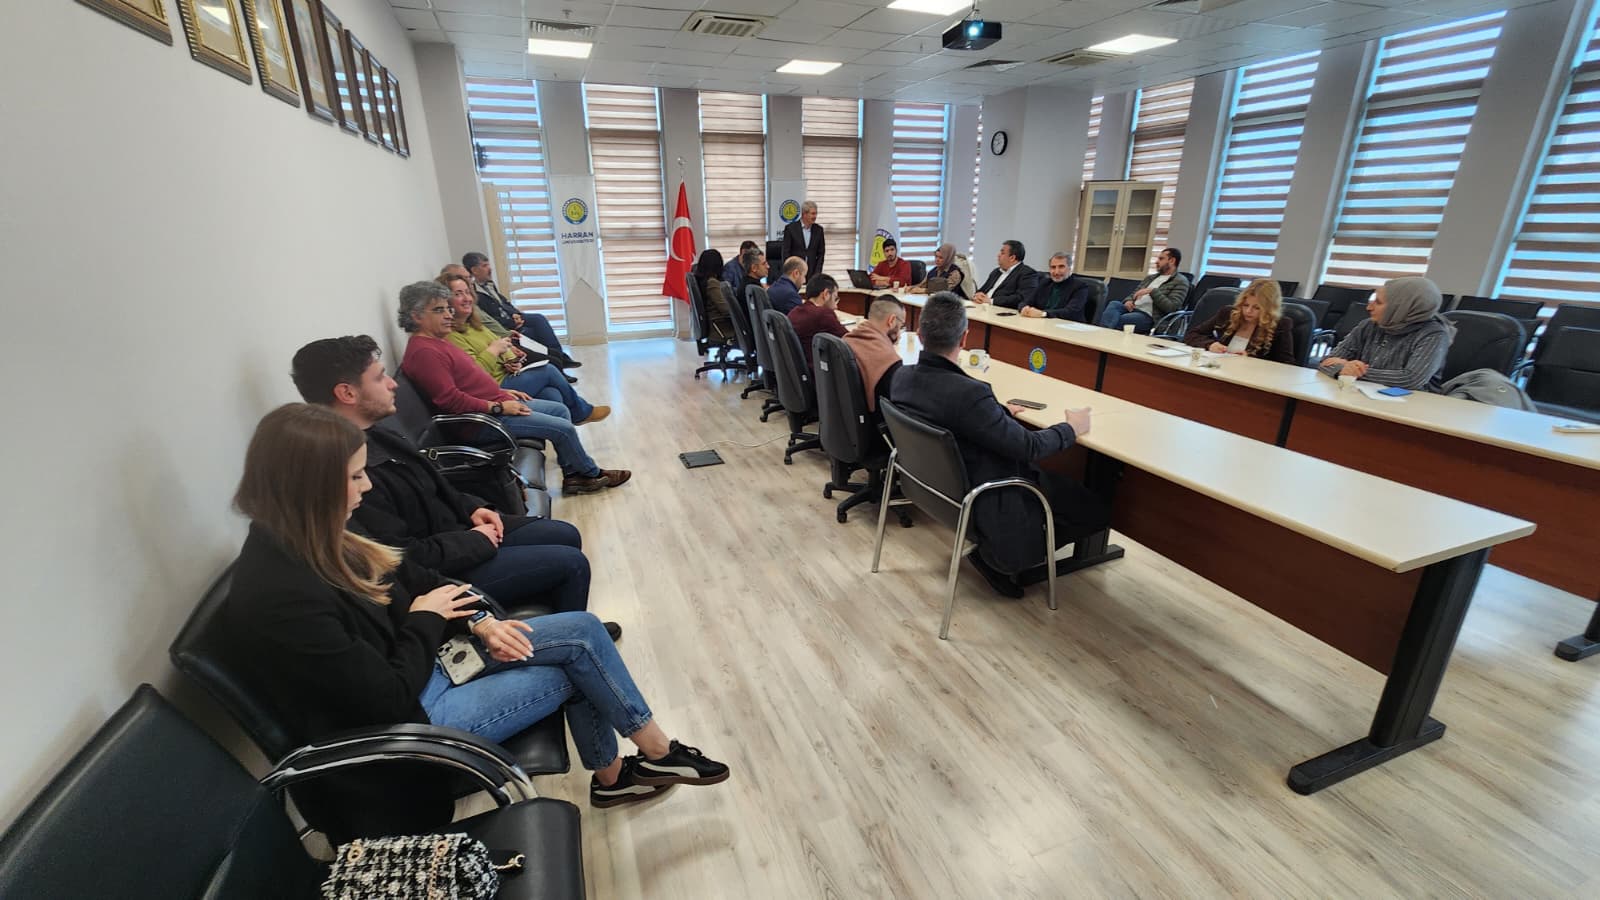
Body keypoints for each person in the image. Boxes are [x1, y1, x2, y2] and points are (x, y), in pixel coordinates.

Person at [221, 404, 728, 824]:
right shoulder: (281, 594)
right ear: (310, 486)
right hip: (408, 726)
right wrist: (426, 618)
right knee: (581, 668)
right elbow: (386, 698)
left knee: (584, 631)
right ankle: (630, 772)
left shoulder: (321, 536)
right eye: (355, 476)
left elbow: (418, 579)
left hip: (425, 669)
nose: (367, 486)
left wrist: (480, 621)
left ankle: (649, 760)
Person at [290, 336, 618, 640]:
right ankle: (568, 640)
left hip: (457, 530)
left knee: (565, 534)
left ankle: (565, 624)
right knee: (571, 563)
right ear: (347, 394)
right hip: (442, 569)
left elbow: (436, 485)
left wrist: (473, 508)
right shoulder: (351, 478)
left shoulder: (378, 435)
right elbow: (403, 560)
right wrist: (476, 541)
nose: (392, 384)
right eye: (379, 377)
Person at [889, 293, 1110, 597]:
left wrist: (996, 413)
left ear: (921, 335)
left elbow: (947, 409)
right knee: (1098, 510)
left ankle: (1007, 546)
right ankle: (1007, 555)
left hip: (940, 492)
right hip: (989, 492)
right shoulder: (970, 394)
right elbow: (1029, 447)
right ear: (965, 337)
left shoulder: (901, 376)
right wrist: (1071, 428)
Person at [396, 281, 630, 495]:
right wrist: (498, 407)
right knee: (563, 428)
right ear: (416, 315)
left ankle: (573, 475)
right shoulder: (425, 352)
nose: (449, 314)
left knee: (559, 409)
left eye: (448, 308)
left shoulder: (437, 342)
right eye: (439, 310)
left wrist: (504, 393)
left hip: (494, 405)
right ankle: (590, 474)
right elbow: (450, 400)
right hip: (480, 422)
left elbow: (467, 381)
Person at [440, 272, 607, 423]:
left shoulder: (474, 324)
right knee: (549, 370)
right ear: (445, 301)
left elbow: (501, 346)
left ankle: (561, 440)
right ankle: (581, 413)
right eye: (458, 294)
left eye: (467, 292)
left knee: (552, 394)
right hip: (496, 387)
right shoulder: (451, 336)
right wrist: (493, 350)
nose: (467, 298)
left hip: (507, 374)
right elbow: (473, 375)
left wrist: (512, 360)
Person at [1319, 276, 1455, 391]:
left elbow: (1410, 380)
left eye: (1378, 302)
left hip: (1415, 404)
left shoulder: (1434, 334)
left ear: (1402, 307)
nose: (1369, 307)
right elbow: (1326, 362)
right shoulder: (1369, 325)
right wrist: (1344, 368)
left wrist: (1350, 370)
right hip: (1364, 394)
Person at [462, 252, 582, 371]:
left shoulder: (489, 284)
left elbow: (504, 302)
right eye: (484, 266)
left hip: (510, 317)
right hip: (504, 325)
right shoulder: (474, 294)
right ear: (474, 270)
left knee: (538, 319)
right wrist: (512, 323)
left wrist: (516, 314)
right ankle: (557, 361)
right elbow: (491, 319)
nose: (490, 268)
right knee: (531, 331)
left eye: (488, 265)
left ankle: (560, 356)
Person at [1182, 278, 1296, 363]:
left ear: (1269, 309)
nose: (1248, 311)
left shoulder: (1280, 325)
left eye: (1257, 308)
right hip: (1220, 369)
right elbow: (1192, 334)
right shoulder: (1228, 314)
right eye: (1245, 305)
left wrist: (1251, 359)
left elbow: (1286, 364)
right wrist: (1210, 344)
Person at [1098, 248, 1189, 333]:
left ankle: (1102, 336)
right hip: (1133, 309)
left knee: (1116, 319)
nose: (1156, 262)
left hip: (1150, 316)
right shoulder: (1151, 278)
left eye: (1161, 259)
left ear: (1172, 261)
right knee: (1114, 304)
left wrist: (1152, 291)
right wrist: (1128, 301)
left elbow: (1172, 307)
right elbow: (1134, 294)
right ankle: (1103, 334)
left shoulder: (1181, 281)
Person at [843, 295, 905, 411]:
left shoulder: (846, 340)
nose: (900, 333)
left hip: (844, 412)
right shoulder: (890, 361)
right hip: (873, 419)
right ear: (891, 320)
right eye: (901, 325)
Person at [788, 274, 847, 370]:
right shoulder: (823, 314)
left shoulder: (795, 311)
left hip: (797, 370)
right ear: (826, 294)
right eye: (835, 298)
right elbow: (848, 339)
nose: (836, 306)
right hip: (818, 372)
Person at [1019, 252, 1093, 322]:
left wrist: (1044, 314)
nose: (1056, 272)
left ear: (1070, 268)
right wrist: (1024, 308)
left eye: (1061, 267)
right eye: (1053, 267)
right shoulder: (1045, 283)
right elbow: (1025, 302)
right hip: (1045, 323)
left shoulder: (1080, 286)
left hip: (1068, 326)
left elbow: (1070, 311)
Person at [972, 240, 1039, 309]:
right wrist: (977, 295)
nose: (998, 255)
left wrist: (991, 301)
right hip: (982, 307)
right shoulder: (996, 271)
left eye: (1002, 253)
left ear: (1012, 258)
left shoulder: (1028, 273)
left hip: (1000, 310)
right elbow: (983, 290)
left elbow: (1021, 298)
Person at [693, 249, 736, 342]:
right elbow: (725, 310)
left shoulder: (700, 280)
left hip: (713, 325)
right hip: (721, 328)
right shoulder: (712, 283)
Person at [780, 200, 825, 280]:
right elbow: (786, 252)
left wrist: (817, 273)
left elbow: (821, 253)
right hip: (795, 273)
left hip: (812, 273)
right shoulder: (791, 229)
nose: (815, 216)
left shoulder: (819, 230)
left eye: (816, 213)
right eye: (812, 214)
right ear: (804, 214)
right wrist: (790, 272)